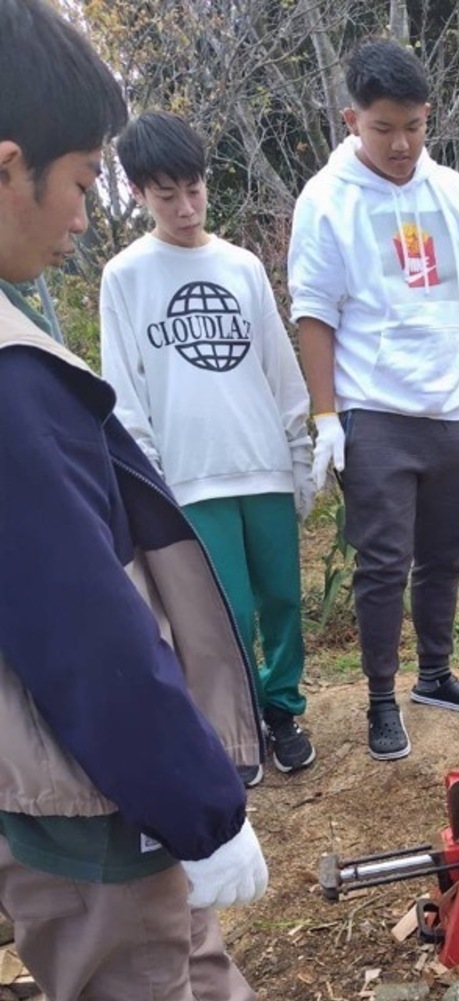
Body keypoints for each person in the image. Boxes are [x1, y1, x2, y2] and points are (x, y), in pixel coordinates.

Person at [0, 0, 332, 1001]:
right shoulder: (7, 385)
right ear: (9, 165)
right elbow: (84, 639)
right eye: (84, 181)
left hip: (97, 765)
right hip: (71, 776)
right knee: (126, 983)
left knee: (170, 921)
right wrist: (198, 797)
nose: (89, 212)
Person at [288, 38, 459, 762]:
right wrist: (327, 416)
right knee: (383, 564)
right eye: (384, 127)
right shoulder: (327, 202)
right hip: (376, 413)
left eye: (415, 127)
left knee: (444, 558)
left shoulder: (451, 192)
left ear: (431, 118)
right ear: (351, 119)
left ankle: (435, 676)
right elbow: (314, 316)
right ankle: (378, 700)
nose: (401, 144)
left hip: (452, 412)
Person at [100, 111, 315, 787]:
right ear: (139, 194)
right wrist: (148, 479)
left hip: (264, 465)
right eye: (168, 196)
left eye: (194, 189)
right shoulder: (126, 276)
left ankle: (284, 712)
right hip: (191, 478)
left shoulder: (241, 266)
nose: (187, 207)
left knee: (282, 598)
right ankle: (237, 720)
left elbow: (279, 369)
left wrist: (300, 452)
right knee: (227, 612)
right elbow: (123, 389)